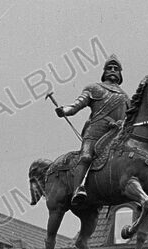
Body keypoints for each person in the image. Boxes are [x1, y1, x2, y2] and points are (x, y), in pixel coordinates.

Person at [54, 55, 129, 203]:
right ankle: (77, 190)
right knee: (86, 156)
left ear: (120, 74)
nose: (112, 70)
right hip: (96, 131)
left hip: (116, 135)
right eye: (109, 68)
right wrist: (65, 110)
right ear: (104, 72)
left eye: (116, 69)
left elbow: (131, 119)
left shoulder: (126, 97)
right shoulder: (94, 88)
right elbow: (77, 104)